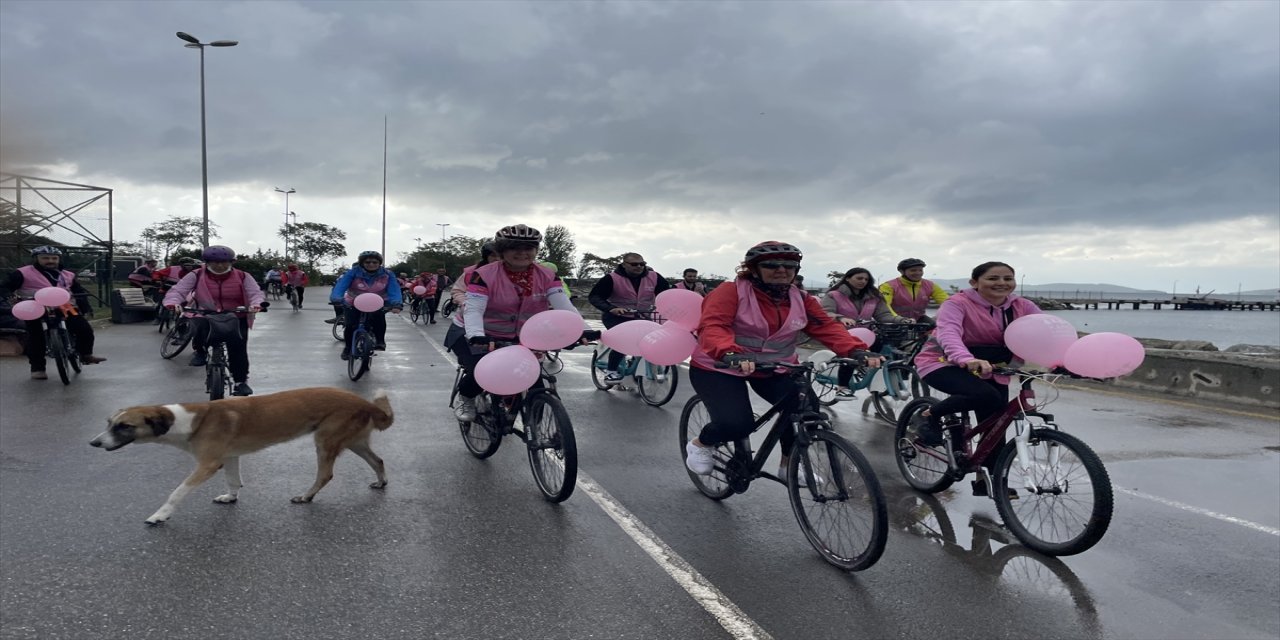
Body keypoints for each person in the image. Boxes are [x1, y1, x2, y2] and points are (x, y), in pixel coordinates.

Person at [683, 241, 880, 479]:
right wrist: (729, 352)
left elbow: (826, 327)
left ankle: (789, 465)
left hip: (775, 367)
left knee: (805, 412)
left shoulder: (802, 299)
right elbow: (714, 325)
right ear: (753, 269)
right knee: (736, 424)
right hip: (720, 366)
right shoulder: (730, 292)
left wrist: (855, 350)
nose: (782, 270)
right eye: (772, 265)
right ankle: (701, 444)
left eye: (789, 265)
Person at [912, 261, 1041, 496]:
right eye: (993, 278)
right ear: (974, 282)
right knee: (985, 395)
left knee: (996, 425)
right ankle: (930, 414)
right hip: (941, 362)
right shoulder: (957, 303)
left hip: (992, 367)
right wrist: (965, 358)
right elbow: (949, 333)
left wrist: (1067, 360)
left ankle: (987, 480)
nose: (1001, 283)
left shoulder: (1023, 306)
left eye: (1008, 278)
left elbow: (1046, 331)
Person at [451, 225, 587, 422]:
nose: (522, 253)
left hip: (522, 334)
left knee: (535, 381)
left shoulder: (547, 275)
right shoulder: (484, 274)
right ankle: (466, 398)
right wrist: (476, 335)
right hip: (477, 331)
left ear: (536, 250)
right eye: (514, 248)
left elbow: (564, 306)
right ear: (502, 251)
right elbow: (474, 310)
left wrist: (583, 330)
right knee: (482, 370)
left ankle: (536, 428)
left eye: (529, 248)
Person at [163, 245, 264, 396]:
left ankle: (240, 382)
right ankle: (200, 352)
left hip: (236, 315)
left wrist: (256, 304)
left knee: (238, 348)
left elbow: (255, 293)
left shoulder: (243, 276)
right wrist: (173, 302)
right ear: (207, 262)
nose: (220, 265)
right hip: (205, 313)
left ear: (232, 262)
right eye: (215, 262)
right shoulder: (196, 274)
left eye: (224, 262)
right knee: (197, 326)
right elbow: (178, 290)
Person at [2, 245, 107, 379]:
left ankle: (86, 355)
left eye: (54, 258)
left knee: (84, 329)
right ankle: (38, 369)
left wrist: (85, 307)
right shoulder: (22, 273)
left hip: (65, 307)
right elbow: (4, 287)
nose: (50, 261)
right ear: (36, 259)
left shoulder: (67, 275)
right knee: (35, 336)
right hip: (35, 308)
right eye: (45, 258)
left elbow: (78, 291)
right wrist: (9, 297)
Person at [821, 267, 908, 398]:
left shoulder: (874, 297)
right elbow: (825, 313)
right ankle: (842, 387)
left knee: (882, 346)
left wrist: (902, 320)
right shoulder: (834, 295)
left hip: (866, 333)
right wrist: (840, 318)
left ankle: (872, 371)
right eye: (859, 278)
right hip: (842, 333)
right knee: (850, 354)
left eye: (866, 279)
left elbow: (883, 315)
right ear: (848, 278)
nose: (863, 281)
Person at [587, 252, 671, 384]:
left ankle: (636, 363)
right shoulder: (612, 278)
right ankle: (611, 371)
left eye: (642, 264)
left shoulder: (654, 277)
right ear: (624, 265)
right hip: (616, 317)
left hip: (642, 315)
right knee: (623, 341)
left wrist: (668, 308)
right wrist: (611, 308)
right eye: (634, 264)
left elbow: (666, 294)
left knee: (651, 339)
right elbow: (595, 297)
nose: (639, 267)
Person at [330, 251, 402, 360]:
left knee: (379, 319)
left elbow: (394, 290)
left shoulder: (387, 274)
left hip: (377, 302)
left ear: (379, 263)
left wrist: (396, 304)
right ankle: (348, 348)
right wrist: (336, 299)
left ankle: (380, 341)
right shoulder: (352, 272)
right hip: (353, 302)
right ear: (362, 263)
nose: (371, 264)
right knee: (350, 325)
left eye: (375, 262)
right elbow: (341, 286)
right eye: (367, 262)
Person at [879, 258, 949, 321]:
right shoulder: (888, 286)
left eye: (920, 270)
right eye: (913, 270)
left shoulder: (930, 285)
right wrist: (899, 319)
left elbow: (948, 302)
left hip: (919, 319)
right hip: (894, 320)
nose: (918, 273)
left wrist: (941, 316)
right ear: (902, 272)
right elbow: (885, 306)